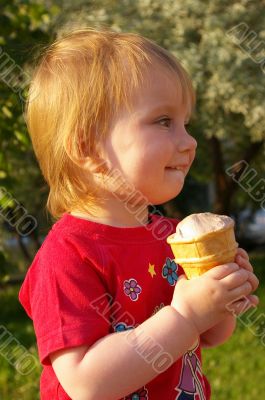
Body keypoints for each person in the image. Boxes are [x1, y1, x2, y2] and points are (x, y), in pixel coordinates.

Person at [19, 27, 259, 400]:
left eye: (186, 123)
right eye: (164, 121)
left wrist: (219, 301)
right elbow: (87, 384)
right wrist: (185, 317)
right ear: (88, 149)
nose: (190, 141)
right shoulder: (66, 256)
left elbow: (211, 335)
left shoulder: (175, 237)